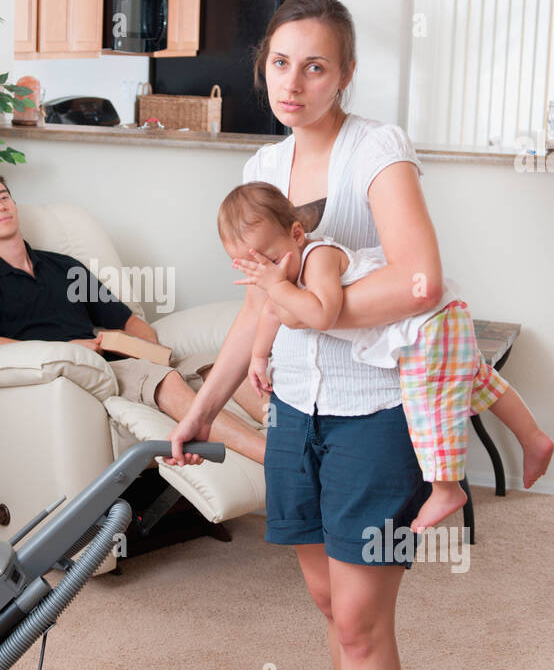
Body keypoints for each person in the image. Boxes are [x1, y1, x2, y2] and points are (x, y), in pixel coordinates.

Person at [165, 0, 465, 670]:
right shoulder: (265, 162)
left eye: (317, 65)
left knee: (366, 627)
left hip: (378, 418)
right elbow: (261, 304)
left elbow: (420, 281)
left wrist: (317, 312)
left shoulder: (377, 150)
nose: (295, 82)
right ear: (265, 66)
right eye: (281, 63)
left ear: (347, 71)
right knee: (332, 611)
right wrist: (205, 405)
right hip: (295, 416)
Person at [223, 181, 553, 531]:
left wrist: (275, 285)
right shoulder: (282, 276)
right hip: (436, 322)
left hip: (425, 326)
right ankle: (534, 438)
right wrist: (259, 357)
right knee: (475, 378)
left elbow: (322, 315)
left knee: (428, 403)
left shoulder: (318, 257)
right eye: (254, 267)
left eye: (271, 260)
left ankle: (446, 489)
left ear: (297, 233)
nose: (267, 271)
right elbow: (272, 311)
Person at [0, 170, 266, 465]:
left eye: (4, 197)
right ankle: (274, 458)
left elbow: (127, 320)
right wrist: (66, 350)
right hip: (73, 375)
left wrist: (146, 346)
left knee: (214, 364)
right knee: (165, 380)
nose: (0, 206)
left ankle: (290, 436)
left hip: (115, 358)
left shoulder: (64, 266)